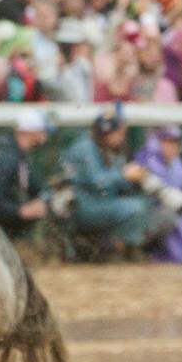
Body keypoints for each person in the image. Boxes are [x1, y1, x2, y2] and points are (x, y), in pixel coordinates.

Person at [62, 106, 150, 258]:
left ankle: (110, 249)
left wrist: (137, 178)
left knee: (147, 204)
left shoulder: (107, 148)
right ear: (108, 133)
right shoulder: (85, 147)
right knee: (137, 207)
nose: (122, 137)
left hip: (102, 203)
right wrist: (124, 175)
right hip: (83, 206)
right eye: (120, 133)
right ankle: (112, 250)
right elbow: (98, 182)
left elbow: (117, 184)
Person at [0, 109, 50, 239]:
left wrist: (43, 198)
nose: (46, 135)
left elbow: (35, 186)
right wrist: (20, 211)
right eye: (43, 130)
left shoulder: (14, 151)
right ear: (32, 132)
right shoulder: (7, 156)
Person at [134, 126, 182, 263]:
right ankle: (147, 253)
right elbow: (153, 187)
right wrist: (178, 197)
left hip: (168, 211)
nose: (174, 147)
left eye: (176, 143)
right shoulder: (147, 158)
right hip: (148, 214)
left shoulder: (175, 162)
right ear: (158, 142)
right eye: (169, 142)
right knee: (172, 213)